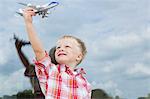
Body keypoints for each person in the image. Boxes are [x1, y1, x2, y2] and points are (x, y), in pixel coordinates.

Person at [22, 7, 91, 99]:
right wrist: (29, 23)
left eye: (67, 46)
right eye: (58, 47)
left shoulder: (85, 83)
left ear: (78, 56)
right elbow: (38, 51)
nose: (60, 49)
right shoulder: (50, 71)